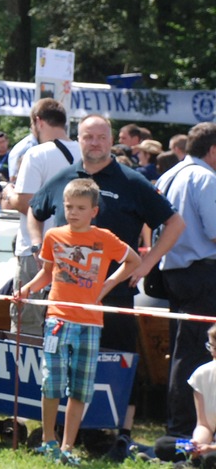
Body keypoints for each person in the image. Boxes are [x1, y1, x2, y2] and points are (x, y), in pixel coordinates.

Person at [30, 113, 185, 461]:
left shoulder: (131, 181)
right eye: (88, 137)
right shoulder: (64, 177)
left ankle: (120, 435)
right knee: (58, 376)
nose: (95, 143)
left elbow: (175, 222)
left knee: (118, 365)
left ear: (111, 139)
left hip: (113, 300)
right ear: (79, 139)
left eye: (101, 137)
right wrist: (37, 246)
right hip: (63, 301)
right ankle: (59, 440)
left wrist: (146, 263)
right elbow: (34, 210)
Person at [17, 178, 141, 467]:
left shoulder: (105, 238)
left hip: (91, 323)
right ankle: (48, 440)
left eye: (80, 208)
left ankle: (67, 446)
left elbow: (133, 261)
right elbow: (46, 274)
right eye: (68, 206)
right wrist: (26, 290)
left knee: (81, 388)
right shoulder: (54, 236)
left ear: (93, 211)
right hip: (57, 319)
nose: (72, 212)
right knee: (51, 383)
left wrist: (106, 286)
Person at [158, 122, 216, 438]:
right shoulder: (206, 178)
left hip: (174, 271)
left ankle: (181, 424)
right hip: (201, 272)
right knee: (197, 353)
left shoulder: (171, 174)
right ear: (213, 150)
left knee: (183, 351)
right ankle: (185, 427)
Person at [8, 98, 78, 334]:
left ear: (38, 122)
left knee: (26, 323)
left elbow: (26, 203)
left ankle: (26, 371)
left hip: (35, 250)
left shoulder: (36, 154)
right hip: (75, 250)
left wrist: (8, 192)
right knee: (65, 321)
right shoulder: (85, 153)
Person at [154, 324, 216, 467]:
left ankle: (190, 463)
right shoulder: (201, 375)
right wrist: (197, 444)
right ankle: (195, 459)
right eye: (212, 347)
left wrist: (211, 448)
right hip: (210, 444)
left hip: (213, 448)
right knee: (163, 445)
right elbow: (204, 425)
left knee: (211, 456)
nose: (213, 353)